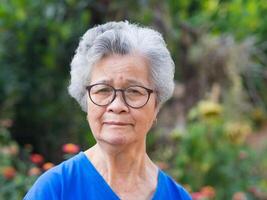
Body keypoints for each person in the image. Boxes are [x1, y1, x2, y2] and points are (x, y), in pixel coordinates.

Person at [24, 21, 191, 200]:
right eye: (103, 90)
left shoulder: (177, 196)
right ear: (86, 99)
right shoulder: (55, 190)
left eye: (134, 91)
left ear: (156, 104)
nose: (117, 106)